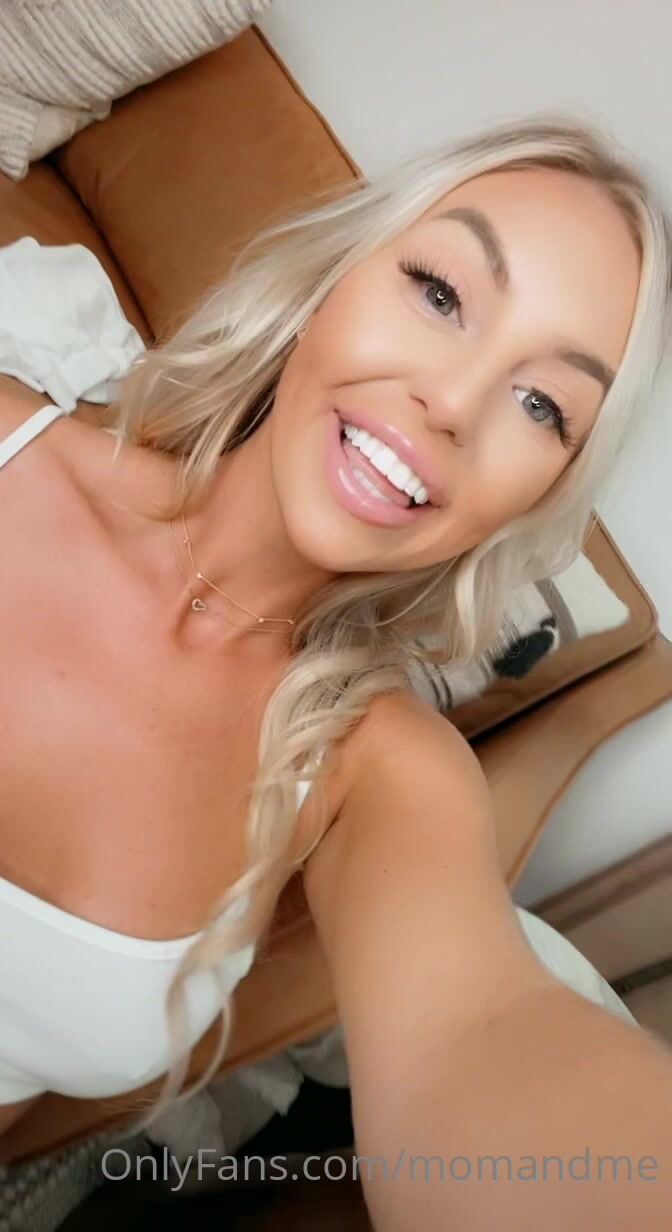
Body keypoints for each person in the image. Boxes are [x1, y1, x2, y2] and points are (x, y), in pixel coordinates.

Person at [1, 115, 671, 1229]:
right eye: (441, 293)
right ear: (333, 282)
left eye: (542, 404)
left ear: (539, 496)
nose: (452, 404)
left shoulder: (382, 773)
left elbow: (482, 1035)